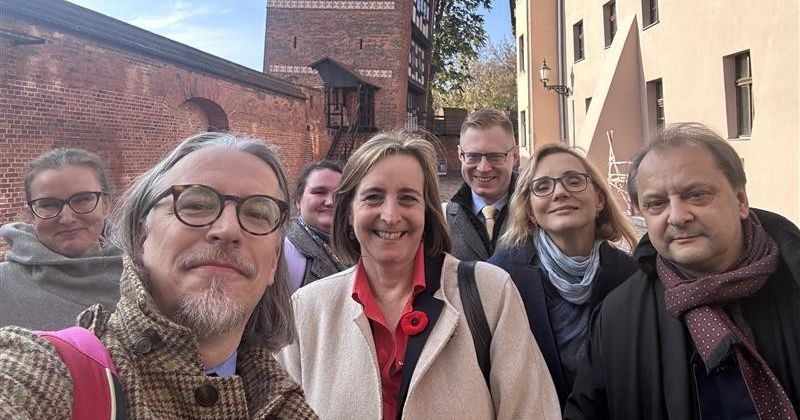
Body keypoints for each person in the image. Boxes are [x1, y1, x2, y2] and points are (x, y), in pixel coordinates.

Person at [0, 133, 318, 418]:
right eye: (195, 204)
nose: (228, 229)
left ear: (275, 260)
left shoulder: (285, 401)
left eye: (257, 213)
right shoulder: (48, 370)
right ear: (142, 239)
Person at [276, 132, 560, 420]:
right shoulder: (307, 311)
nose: (390, 215)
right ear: (349, 212)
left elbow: (532, 411)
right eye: (373, 197)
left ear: (427, 212)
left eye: (408, 199)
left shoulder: (491, 293)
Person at [564, 123, 800, 419]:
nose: (677, 216)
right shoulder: (617, 316)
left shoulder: (794, 279)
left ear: (740, 200)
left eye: (696, 195)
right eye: (656, 204)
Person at [489, 143, 638, 408]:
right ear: (531, 211)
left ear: (600, 200)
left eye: (574, 181)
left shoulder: (632, 277)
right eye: (543, 186)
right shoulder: (500, 277)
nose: (560, 192)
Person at [0, 148, 122, 330]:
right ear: (31, 215)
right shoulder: (4, 285)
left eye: (82, 200)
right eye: (49, 204)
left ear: (106, 205)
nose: (67, 218)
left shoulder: (146, 279)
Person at [444, 108, 519, 261]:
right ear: (460, 155)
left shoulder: (539, 214)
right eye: (473, 156)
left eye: (495, 156)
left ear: (515, 156)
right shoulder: (440, 221)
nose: (483, 168)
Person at [283, 160, 348, 292]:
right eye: (319, 192)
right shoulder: (283, 254)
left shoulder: (356, 249)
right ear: (298, 200)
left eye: (339, 194)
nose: (330, 202)